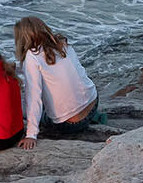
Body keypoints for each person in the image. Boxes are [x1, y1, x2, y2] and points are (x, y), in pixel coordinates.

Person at [13, 16, 98, 148]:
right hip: (93, 103)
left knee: (21, 106)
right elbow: (49, 66)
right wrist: (16, 67)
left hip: (71, 124)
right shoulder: (62, 44)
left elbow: (34, 97)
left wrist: (31, 134)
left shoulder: (32, 56)